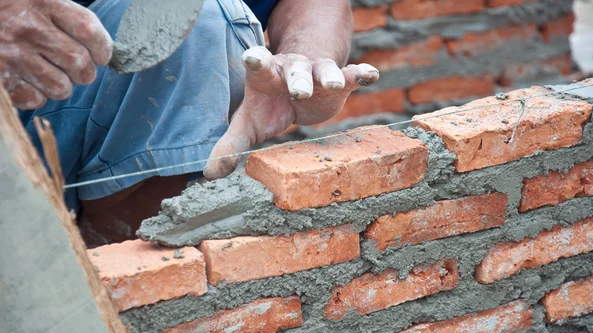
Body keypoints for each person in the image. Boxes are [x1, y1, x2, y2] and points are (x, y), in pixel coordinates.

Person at [2, 0, 379, 246]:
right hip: (22, 109)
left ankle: (119, 280)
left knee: (197, 21)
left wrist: (306, 56)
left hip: (94, 118)